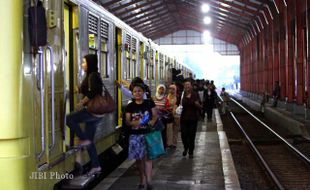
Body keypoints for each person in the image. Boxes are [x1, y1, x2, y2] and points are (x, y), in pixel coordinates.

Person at [66, 54, 103, 175]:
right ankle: (96, 166)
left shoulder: (92, 76)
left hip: (92, 111)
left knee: (69, 118)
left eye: (84, 62)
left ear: (90, 63)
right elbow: (87, 89)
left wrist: (82, 102)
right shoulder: (91, 76)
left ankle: (83, 139)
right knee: (90, 142)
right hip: (97, 114)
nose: (82, 65)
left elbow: (93, 92)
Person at [125, 83, 157, 190]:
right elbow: (128, 121)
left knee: (148, 158)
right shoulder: (130, 106)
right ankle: (142, 179)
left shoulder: (149, 103)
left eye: (139, 91)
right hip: (135, 136)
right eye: (135, 91)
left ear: (143, 92)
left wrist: (151, 122)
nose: (137, 93)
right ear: (132, 93)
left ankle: (149, 181)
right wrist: (136, 123)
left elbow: (155, 115)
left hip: (147, 134)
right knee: (139, 160)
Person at [179, 78, 202, 158]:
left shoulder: (195, 94)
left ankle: (191, 151)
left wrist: (197, 104)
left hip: (193, 118)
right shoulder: (182, 94)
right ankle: (186, 147)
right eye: (186, 85)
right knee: (184, 135)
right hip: (183, 118)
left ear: (191, 86)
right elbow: (178, 105)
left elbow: (200, 106)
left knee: (191, 136)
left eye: (188, 85)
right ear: (184, 86)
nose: (187, 86)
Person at [153, 84, 171, 149]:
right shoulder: (153, 98)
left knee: (163, 132)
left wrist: (162, 109)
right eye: (160, 89)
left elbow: (168, 108)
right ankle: (156, 146)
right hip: (155, 119)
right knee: (155, 132)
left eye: (163, 89)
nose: (161, 91)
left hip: (163, 119)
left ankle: (163, 146)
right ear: (158, 89)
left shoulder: (166, 99)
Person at [166, 84, 178, 148]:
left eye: (173, 89)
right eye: (170, 88)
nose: (171, 90)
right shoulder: (167, 96)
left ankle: (174, 143)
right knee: (169, 129)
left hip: (176, 115)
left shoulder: (178, 96)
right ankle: (169, 143)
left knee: (175, 129)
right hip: (169, 114)